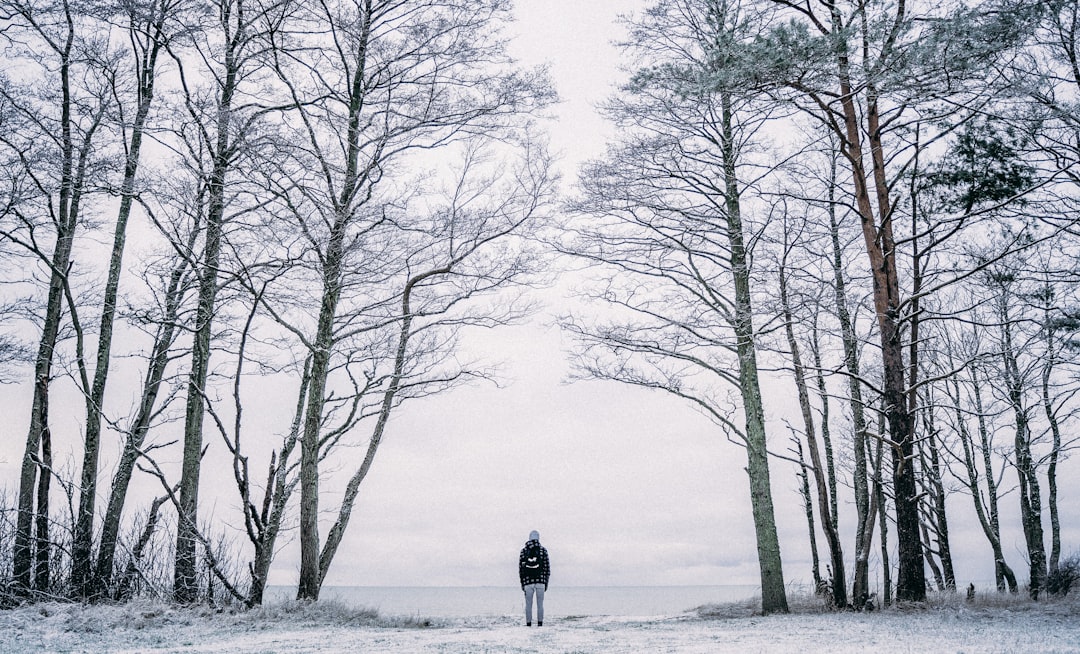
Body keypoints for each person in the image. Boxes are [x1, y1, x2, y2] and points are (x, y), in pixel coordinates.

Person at [518, 530, 550, 626]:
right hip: (541, 581)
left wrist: (522, 584)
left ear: (529, 538)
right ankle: (540, 625)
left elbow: (521, 570)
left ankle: (528, 625)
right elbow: (547, 568)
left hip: (528, 582)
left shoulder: (523, 551)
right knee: (540, 605)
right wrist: (546, 583)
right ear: (538, 538)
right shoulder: (543, 550)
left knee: (528, 605)